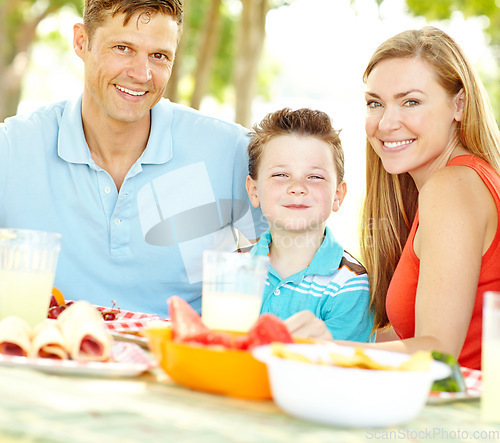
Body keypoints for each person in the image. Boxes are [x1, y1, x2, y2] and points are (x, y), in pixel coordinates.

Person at [0, 0, 267, 317]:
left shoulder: (231, 151)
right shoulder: (11, 150)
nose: (142, 74)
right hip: (45, 357)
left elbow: (298, 256)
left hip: (179, 362)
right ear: (81, 41)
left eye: (159, 56)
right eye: (123, 48)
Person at [245, 108, 374, 342]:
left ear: (337, 195)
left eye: (314, 177)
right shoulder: (234, 268)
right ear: (254, 191)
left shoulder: (350, 284)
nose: (297, 187)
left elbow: (344, 369)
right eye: (281, 175)